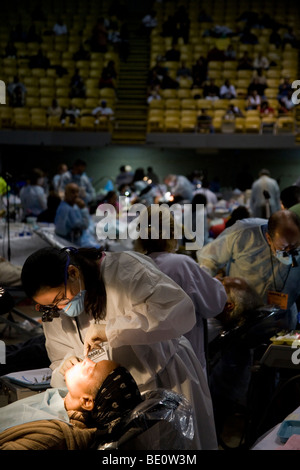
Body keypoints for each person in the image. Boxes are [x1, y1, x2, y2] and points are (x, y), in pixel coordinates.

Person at [21, 246, 219, 449]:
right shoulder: (54, 310)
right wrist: (65, 365)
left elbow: (179, 311)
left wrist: (114, 329)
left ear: (73, 272)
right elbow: (58, 358)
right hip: (111, 407)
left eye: (60, 299)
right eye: (51, 307)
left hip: (164, 378)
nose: (60, 309)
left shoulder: (125, 270)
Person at [133, 205, 227, 373]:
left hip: (146, 363)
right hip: (184, 360)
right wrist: (213, 281)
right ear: (172, 234)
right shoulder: (182, 264)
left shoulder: (133, 265)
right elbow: (215, 303)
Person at [197, 210, 300, 329]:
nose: (290, 251)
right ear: (268, 238)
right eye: (284, 247)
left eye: (295, 245)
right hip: (243, 318)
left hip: (283, 318)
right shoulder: (243, 233)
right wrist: (207, 293)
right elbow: (209, 260)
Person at [54, 183, 99, 247]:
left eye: (77, 192)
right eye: (73, 192)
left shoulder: (74, 206)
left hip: (77, 240)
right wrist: (83, 209)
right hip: (68, 243)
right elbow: (84, 225)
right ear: (66, 193)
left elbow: (84, 225)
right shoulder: (65, 209)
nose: (76, 195)